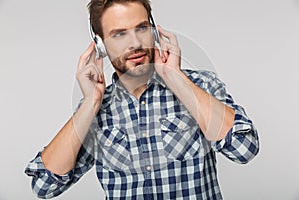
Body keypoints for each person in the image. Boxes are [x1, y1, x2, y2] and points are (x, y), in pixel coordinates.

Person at [25, 0, 259, 199]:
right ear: (100, 45)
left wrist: (175, 77)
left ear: (155, 31)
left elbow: (244, 149)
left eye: (142, 28)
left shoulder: (201, 85)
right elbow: (45, 185)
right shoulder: (93, 112)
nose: (135, 43)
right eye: (119, 34)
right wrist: (90, 103)